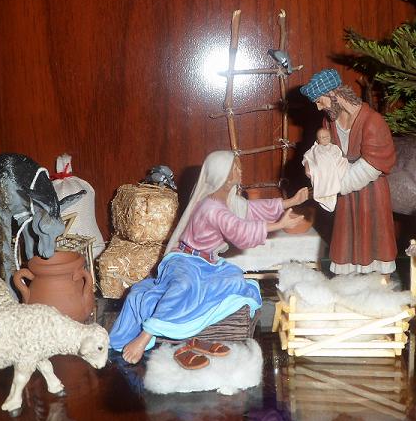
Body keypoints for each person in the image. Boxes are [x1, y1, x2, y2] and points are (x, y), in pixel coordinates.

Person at [109, 151, 308, 366]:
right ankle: (144, 337)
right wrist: (279, 225)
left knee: (236, 279)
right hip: (185, 260)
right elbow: (239, 229)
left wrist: (290, 202)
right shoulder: (212, 207)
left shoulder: (226, 200)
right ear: (224, 176)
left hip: (207, 264)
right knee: (183, 286)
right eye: (235, 168)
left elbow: (250, 209)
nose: (240, 170)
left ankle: (202, 326)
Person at [300, 68, 397, 276]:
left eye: (320, 101)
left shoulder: (373, 121)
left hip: (370, 190)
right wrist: (311, 164)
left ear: (333, 94)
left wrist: (338, 186)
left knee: (374, 236)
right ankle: (349, 279)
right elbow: (322, 150)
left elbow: (374, 163)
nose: (318, 107)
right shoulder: (329, 121)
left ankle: (380, 280)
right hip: (344, 191)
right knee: (346, 237)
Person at [303, 127, 349, 212]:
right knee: (319, 172)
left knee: (343, 163)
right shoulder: (315, 149)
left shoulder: (334, 148)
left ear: (330, 137)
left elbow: (339, 157)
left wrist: (338, 163)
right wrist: (307, 166)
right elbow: (307, 157)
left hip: (332, 169)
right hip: (320, 170)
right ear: (317, 140)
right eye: (321, 137)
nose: (324, 138)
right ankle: (323, 193)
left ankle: (331, 190)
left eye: (326, 136)